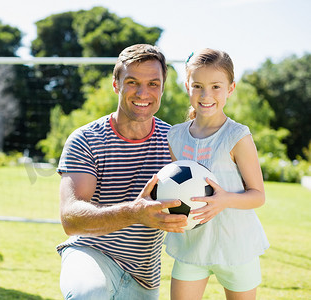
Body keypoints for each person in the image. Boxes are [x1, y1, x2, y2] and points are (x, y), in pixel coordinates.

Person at [56, 44, 188, 299]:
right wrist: (134, 213)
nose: (143, 92)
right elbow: (70, 219)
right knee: (90, 294)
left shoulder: (176, 141)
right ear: (116, 84)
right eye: (132, 82)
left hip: (144, 275)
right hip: (91, 253)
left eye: (153, 83)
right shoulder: (86, 139)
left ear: (162, 87)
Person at [164, 49, 270, 300]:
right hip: (191, 246)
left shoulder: (237, 136)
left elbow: (258, 196)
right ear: (187, 86)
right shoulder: (175, 136)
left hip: (235, 247)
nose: (206, 95)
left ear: (231, 88)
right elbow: (175, 190)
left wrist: (223, 200)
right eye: (197, 86)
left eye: (215, 86)